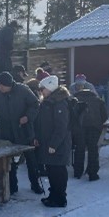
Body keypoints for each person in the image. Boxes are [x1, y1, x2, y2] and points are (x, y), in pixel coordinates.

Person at [0, 71, 43, 195]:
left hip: (24, 130)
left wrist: (28, 117)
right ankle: (12, 186)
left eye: (2, 85)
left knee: (31, 161)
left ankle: (35, 185)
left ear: (9, 85)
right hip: (6, 132)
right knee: (9, 162)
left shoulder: (23, 90)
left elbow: (35, 104)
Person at [35, 75, 72, 208]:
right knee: (51, 171)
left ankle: (60, 198)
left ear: (50, 88)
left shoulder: (59, 103)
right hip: (48, 143)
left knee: (58, 172)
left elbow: (61, 126)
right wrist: (38, 138)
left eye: (42, 89)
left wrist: (53, 144)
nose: (40, 92)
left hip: (58, 145)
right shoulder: (48, 101)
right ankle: (53, 195)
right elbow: (41, 123)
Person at [72, 81, 108, 181]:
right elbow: (105, 117)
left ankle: (77, 172)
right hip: (94, 127)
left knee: (79, 149)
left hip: (79, 128)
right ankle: (93, 174)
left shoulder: (75, 99)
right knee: (93, 150)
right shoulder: (98, 100)